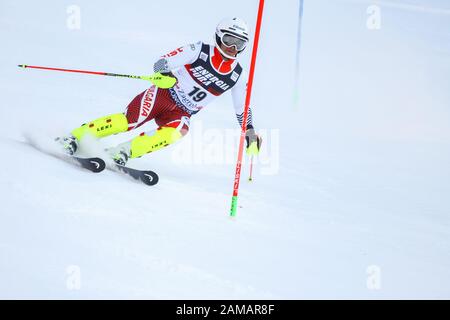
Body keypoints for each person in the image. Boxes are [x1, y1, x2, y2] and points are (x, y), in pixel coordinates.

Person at [59, 17, 262, 165]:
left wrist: (250, 131)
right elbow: (161, 63)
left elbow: (241, 109)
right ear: (218, 36)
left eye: (239, 43)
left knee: (178, 131)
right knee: (129, 121)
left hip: (182, 112)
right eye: (229, 40)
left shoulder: (237, 75)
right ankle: (74, 137)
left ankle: (122, 151)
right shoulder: (199, 51)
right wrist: (167, 75)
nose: (232, 48)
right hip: (163, 95)